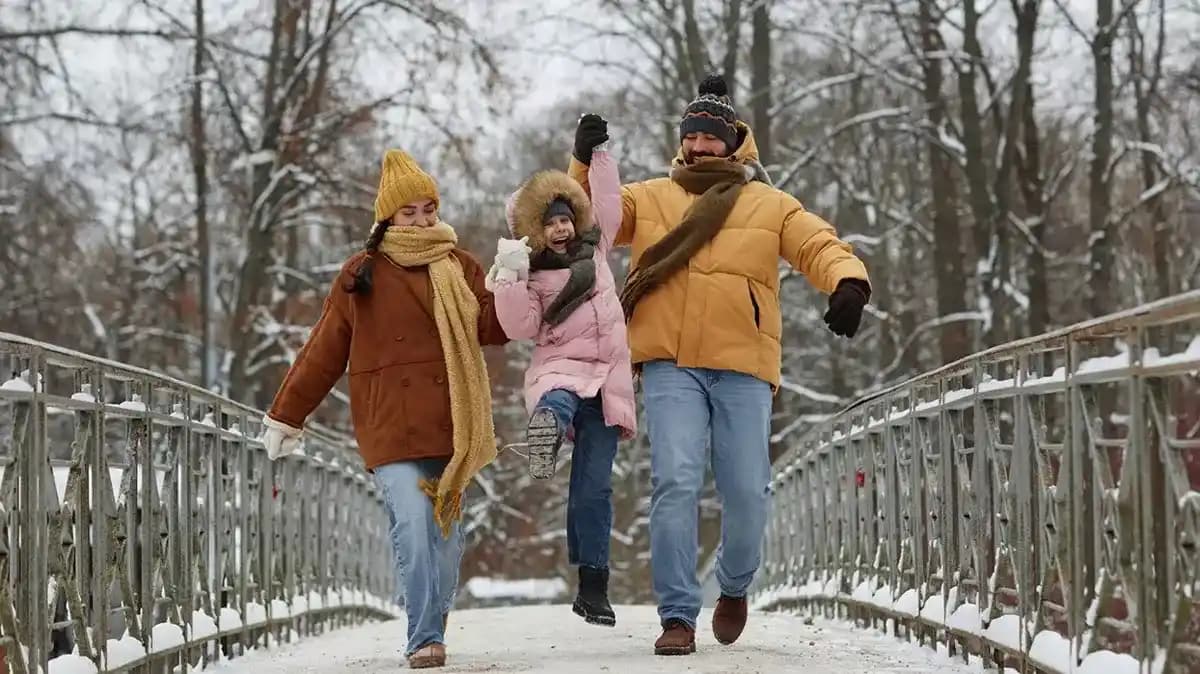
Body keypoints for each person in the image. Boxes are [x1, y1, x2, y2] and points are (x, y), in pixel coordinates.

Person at [567, 75, 872, 655]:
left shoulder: (769, 203)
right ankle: (677, 614)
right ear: (682, 142)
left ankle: (733, 586)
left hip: (742, 363)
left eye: (712, 137)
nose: (702, 146)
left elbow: (817, 243)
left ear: (734, 142)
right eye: (693, 137)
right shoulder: (651, 196)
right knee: (675, 481)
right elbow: (590, 218)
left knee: (747, 490)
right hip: (670, 363)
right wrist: (584, 161)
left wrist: (848, 282)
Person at [260, 149, 508, 669]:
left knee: (442, 536)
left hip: (450, 421)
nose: (421, 219)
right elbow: (323, 350)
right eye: (408, 212)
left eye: (427, 209)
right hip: (389, 423)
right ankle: (423, 638)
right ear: (388, 217)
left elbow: (494, 330)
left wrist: (513, 283)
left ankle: (433, 627)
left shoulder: (460, 266)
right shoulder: (362, 273)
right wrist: (287, 416)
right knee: (412, 527)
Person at [486, 138, 636, 627]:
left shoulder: (597, 253)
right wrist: (509, 277)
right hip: (561, 368)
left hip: (609, 382)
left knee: (594, 489)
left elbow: (609, 203)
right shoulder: (532, 275)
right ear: (535, 230)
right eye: (549, 223)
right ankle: (546, 429)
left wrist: (598, 155)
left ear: (576, 219)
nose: (559, 229)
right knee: (557, 398)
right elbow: (519, 327)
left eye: (565, 219)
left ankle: (593, 589)